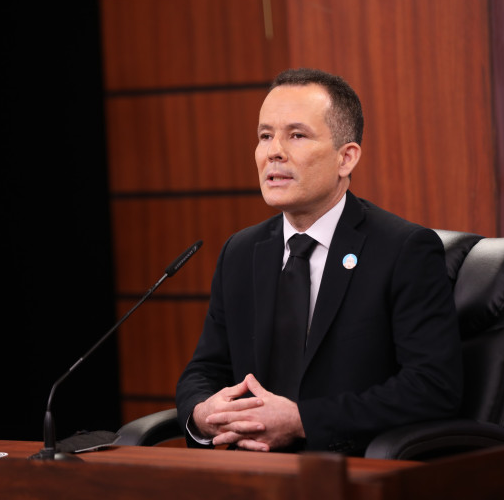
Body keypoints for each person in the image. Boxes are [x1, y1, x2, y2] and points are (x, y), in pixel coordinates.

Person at [175, 68, 463, 456]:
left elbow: (432, 386)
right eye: (265, 136)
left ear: (346, 158)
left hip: (348, 468)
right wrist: (202, 413)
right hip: (249, 469)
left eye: (296, 135)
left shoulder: (403, 250)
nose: (274, 152)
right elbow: (205, 370)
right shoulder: (241, 252)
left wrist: (302, 420)